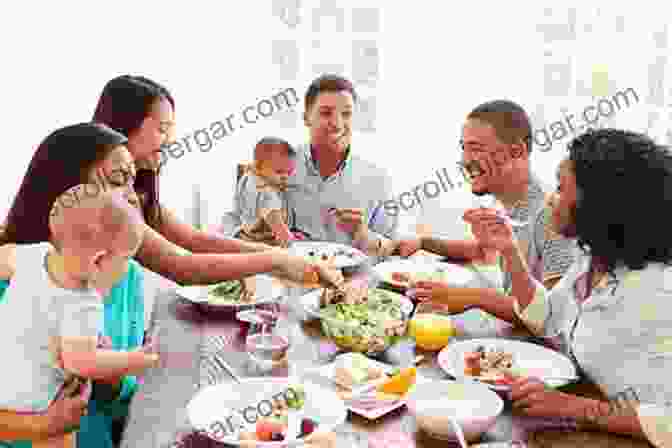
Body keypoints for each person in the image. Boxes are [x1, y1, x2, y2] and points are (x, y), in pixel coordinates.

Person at [0, 123, 341, 448]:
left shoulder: (122, 272)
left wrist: (114, 373)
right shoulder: (16, 274)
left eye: (132, 180)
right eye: (119, 181)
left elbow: (118, 398)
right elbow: (185, 262)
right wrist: (43, 425)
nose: (133, 197)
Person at [469, 129, 672, 447]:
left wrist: (571, 407)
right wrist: (509, 251)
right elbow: (547, 318)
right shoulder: (592, 260)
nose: (551, 197)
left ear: (600, 205)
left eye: (562, 189)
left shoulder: (658, 291)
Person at [86, 74, 338, 287]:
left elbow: (197, 240)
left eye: (171, 129)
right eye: (162, 129)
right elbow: (180, 266)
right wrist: (280, 261)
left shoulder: (135, 190)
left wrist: (286, 258)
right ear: (121, 127)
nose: (172, 141)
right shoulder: (103, 196)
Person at [0, 186, 156, 447]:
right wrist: (136, 359)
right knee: (62, 431)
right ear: (97, 261)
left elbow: (4, 257)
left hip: (6, 381)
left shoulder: (35, 254)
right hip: (34, 403)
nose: (126, 269)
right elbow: (80, 363)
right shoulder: (83, 303)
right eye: (126, 259)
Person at [398, 100, 576, 323]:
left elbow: (553, 315)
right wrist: (423, 242)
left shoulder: (554, 216)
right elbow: (483, 251)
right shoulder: (509, 202)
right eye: (464, 148)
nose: (464, 160)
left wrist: (472, 297)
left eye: (476, 149)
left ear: (517, 151)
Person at [225, 74, 399, 253]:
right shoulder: (276, 163)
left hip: (355, 277)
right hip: (287, 274)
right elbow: (231, 220)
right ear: (306, 118)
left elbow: (393, 245)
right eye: (326, 113)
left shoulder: (378, 179)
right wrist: (244, 237)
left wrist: (363, 236)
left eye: (346, 114)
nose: (337, 124)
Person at [233, 137, 306, 247]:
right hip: (257, 241)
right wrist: (289, 240)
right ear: (258, 167)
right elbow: (273, 217)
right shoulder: (264, 190)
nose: (285, 177)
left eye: (289, 172)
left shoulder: (251, 176)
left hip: (252, 231)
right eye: (279, 172)